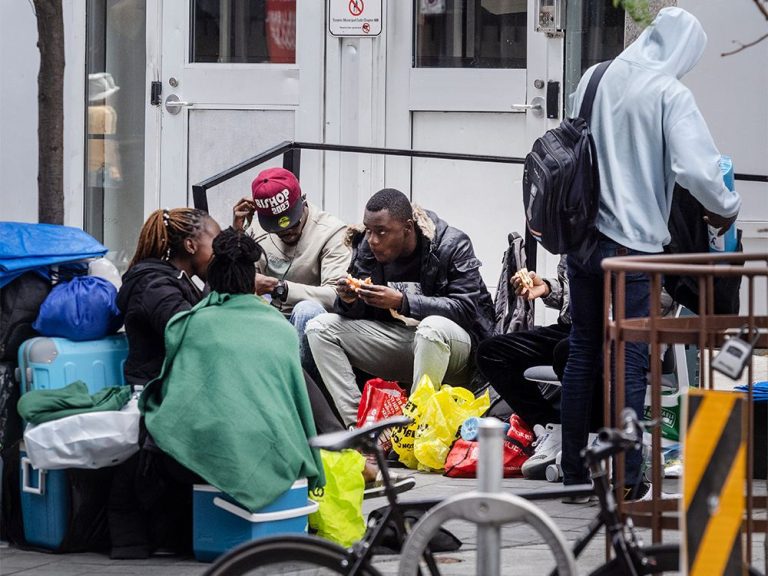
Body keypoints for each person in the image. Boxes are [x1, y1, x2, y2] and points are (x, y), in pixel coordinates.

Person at [560, 7, 741, 502]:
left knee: (584, 348)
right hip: (633, 245)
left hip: (582, 238)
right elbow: (699, 172)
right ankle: (626, 477)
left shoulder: (594, 76)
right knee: (632, 355)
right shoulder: (669, 93)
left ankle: (574, 472)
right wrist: (727, 207)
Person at [139, 228, 324, 517]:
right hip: (279, 458)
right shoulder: (281, 329)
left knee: (154, 427)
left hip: (201, 460)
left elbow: (174, 396)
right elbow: (300, 406)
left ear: (212, 277)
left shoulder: (191, 323)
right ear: (253, 278)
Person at [306, 188, 496, 427]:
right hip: (404, 344)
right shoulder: (367, 247)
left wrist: (402, 302)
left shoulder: (451, 244)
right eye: (369, 230)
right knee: (319, 328)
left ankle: (412, 428)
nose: (373, 240)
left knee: (431, 327)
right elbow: (359, 315)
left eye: (382, 232)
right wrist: (349, 300)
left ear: (407, 227)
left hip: (455, 351)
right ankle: (361, 430)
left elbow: (467, 309)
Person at [232, 167, 350, 375]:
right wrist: (237, 233)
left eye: (292, 221)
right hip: (269, 316)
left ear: (302, 200)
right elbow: (236, 284)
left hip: (311, 324)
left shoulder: (331, 231)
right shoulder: (256, 227)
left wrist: (279, 288)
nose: (286, 230)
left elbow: (335, 295)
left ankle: (302, 390)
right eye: (276, 226)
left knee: (307, 310)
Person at [475, 257, 574, 479]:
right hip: (573, 327)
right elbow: (572, 290)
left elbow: (663, 297)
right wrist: (547, 288)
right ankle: (550, 425)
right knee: (491, 352)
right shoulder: (574, 233)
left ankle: (586, 438)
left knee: (567, 350)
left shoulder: (631, 238)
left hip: (622, 330)